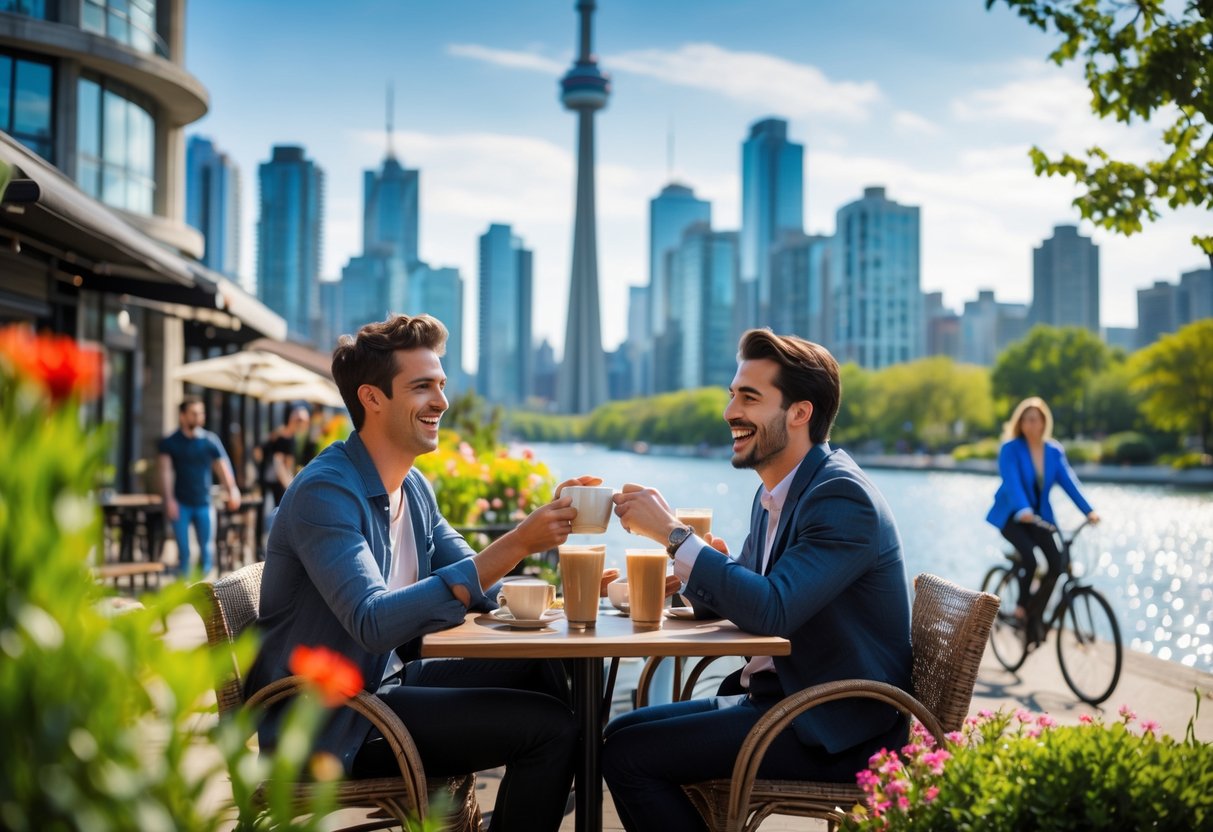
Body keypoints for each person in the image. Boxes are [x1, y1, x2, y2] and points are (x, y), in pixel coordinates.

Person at [245, 314, 588, 832]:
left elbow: (478, 579)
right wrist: (519, 539)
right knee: (551, 730)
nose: (442, 402)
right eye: (422, 386)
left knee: (539, 663)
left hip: (384, 685)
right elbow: (373, 621)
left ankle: (559, 783)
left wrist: (565, 583)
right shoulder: (327, 491)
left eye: (442, 385)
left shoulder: (414, 488)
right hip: (334, 720)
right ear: (373, 398)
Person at [604, 328, 912, 832]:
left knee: (629, 757)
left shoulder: (840, 497)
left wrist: (676, 537)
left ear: (799, 412)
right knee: (617, 734)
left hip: (833, 727)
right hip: (782, 700)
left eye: (750, 397)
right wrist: (688, 581)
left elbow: (773, 610)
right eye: (732, 395)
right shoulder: (777, 490)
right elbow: (751, 590)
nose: (730, 411)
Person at [986, 396, 1099, 642]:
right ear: (1020, 423)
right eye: (1025, 419)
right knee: (1030, 559)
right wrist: (1023, 508)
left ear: (1043, 422)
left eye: (1034, 419)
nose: (1029, 424)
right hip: (1013, 517)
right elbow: (1012, 482)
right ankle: (1020, 608)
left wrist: (1089, 511)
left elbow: (1069, 483)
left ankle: (1034, 614)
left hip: (1040, 518)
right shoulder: (1010, 449)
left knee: (1057, 565)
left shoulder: (1053, 451)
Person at [158, 397, 241, 576]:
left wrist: (232, 489)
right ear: (182, 416)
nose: (199, 417)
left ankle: (205, 590)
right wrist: (169, 499)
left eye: (201, 413)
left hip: (204, 502)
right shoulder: (170, 442)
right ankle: (184, 591)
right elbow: (165, 472)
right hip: (180, 504)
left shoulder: (210, 441)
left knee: (206, 550)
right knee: (184, 553)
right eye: (194, 413)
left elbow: (222, 467)